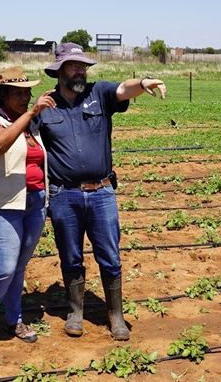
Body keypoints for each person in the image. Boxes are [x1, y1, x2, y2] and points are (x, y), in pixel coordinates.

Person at [34, 43, 166, 341]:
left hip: (102, 193)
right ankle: (75, 312)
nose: (80, 70)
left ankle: (116, 315)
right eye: (73, 66)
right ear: (59, 71)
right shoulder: (45, 105)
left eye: (83, 66)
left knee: (110, 255)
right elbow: (22, 132)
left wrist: (143, 83)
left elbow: (123, 89)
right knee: (70, 256)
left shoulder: (99, 93)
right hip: (63, 194)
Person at [0, 66, 56, 359]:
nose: (25, 97)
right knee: (2, 270)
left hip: (33, 203)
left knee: (18, 267)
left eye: (27, 92)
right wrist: (30, 113)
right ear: (3, 94)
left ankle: (13, 320)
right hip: (2, 207)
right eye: (18, 93)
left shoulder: (32, 126)